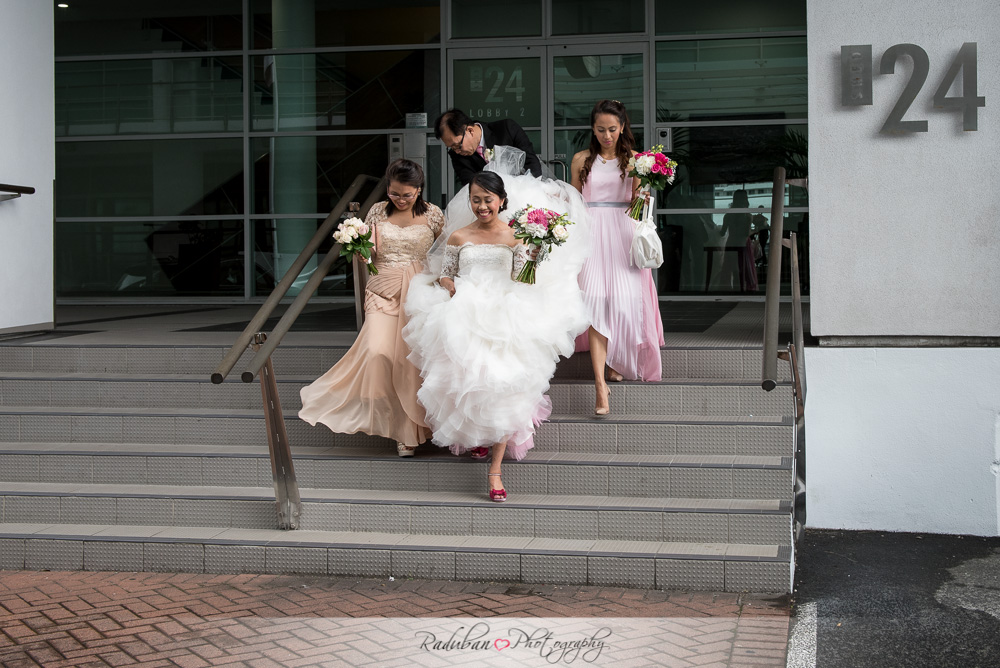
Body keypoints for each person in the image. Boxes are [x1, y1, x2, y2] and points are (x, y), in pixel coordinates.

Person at [403, 163, 589, 502]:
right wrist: (452, 287)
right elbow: (445, 274)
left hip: (506, 316)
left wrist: (532, 256)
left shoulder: (517, 236)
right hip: (466, 314)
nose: (482, 206)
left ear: (502, 201)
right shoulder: (459, 237)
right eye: (475, 200)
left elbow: (520, 278)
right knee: (470, 384)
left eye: (488, 200)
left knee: (504, 388)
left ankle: (495, 469)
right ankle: (477, 438)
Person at [298, 159, 445, 457]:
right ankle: (390, 419)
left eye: (407, 194)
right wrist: (359, 247)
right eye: (394, 193)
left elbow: (445, 254)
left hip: (421, 292)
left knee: (412, 360)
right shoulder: (377, 210)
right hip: (383, 289)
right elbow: (372, 251)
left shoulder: (433, 214)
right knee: (379, 351)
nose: (400, 200)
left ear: (419, 189)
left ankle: (410, 433)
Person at [570, 99, 665, 415]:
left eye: (612, 129)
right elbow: (573, 203)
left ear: (623, 127)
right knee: (595, 302)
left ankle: (616, 363)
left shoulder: (636, 161)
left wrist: (645, 191)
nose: (606, 135)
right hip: (591, 235)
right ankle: (600, 386)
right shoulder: (581, 159)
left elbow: (639, 206)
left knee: (624, 303)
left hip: (624, 233)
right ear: (593, 129)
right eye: (600, 129)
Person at [435, 108, 543, 186]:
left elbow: (531, 162)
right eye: (451, 147)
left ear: (470, 131)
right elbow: (469, 184)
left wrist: (529, 191)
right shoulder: (456, 155)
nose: (457, 151)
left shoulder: (507, 129)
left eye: (457, 145)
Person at [720, 189, 758, 292]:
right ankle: (742, 290)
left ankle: (733, 290)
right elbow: (746, 233)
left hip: (731, 242)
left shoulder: (728, 215)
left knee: (731, 269)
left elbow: (722, 232)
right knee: (743, 269)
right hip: (743, 243)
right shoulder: (747, 216)